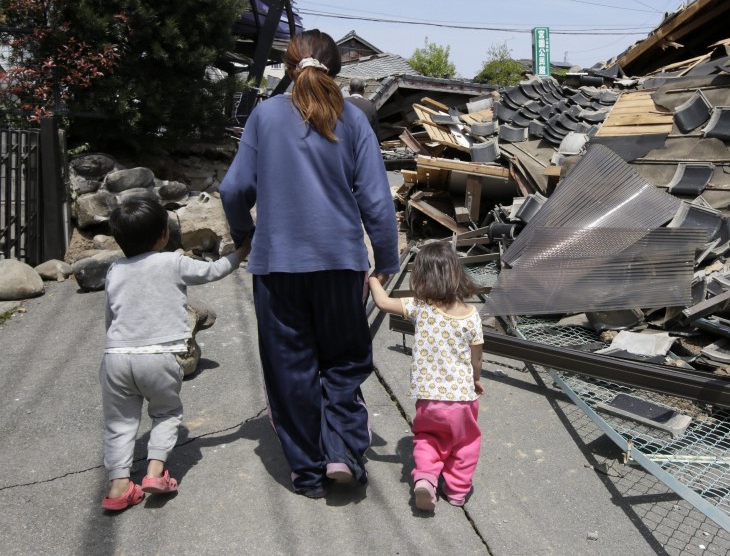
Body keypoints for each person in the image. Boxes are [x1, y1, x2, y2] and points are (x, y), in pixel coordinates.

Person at [220, 29, 399, 498]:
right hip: (341, 264)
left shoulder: (264, 116)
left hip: (277, 267)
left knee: (289, 366)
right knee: (343, 361)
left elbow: (233, 190)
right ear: (336, 70)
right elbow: (378, 201)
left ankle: (306, 467)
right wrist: (385, 260)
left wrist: (245, 236)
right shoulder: (354, 118)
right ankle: (341, 451)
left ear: (287, 65)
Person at [100, 198, 250, 512]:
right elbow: (213, 271)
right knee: (166, 413)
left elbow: (110, 318)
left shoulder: (114, 270)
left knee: (120, 423)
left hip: (116, 356)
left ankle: (118, 486)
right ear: (164, 235)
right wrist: (240, 254)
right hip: (159, 357)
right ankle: (155, 474)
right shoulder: (172, 262)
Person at [368, 241, 484, 511]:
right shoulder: (471, 316)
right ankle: (456, 492)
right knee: (465, 444)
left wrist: (374, 277)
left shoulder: (421, 307)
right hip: (462, 400)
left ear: (420, 277)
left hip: (428, 400)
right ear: (456, 273)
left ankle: (426, 478)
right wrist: (475, 379)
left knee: (428, 439)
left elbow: (383, 302)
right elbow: (476, 358)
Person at [345, 77, 381, 142]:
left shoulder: (340, 103)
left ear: (349, 89)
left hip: (345, 144)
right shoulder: (370, 106)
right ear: (364, 90)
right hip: (364, 144)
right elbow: (375, 132)